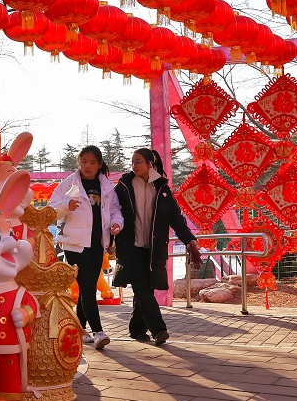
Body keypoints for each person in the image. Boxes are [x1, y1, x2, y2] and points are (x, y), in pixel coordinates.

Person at [113, 148, 202, 346]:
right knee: (142, 288)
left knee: (145, 289)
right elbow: (112, 213)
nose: (134, 165)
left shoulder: (161, 188)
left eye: (138, 162)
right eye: (132, 162)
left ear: (149, 164)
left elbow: (175, 218)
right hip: (131, 247)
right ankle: (159, 330)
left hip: (153, 248)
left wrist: (189, 240)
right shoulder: (124, 186)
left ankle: (136, 329)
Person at [50, 146, 123, 350]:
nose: (88, 166)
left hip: (98, 243)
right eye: (84, 162)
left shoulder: (107, 187)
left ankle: (79, 329)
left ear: (99, 164)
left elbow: (115, 210)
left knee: (87, 287)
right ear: (78, 162)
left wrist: (117, 224)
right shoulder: (67, 185)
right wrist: (66, 205)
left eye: (92, 163)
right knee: (88, 287)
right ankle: (98, 331)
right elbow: (51, 210)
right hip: (74, 244)